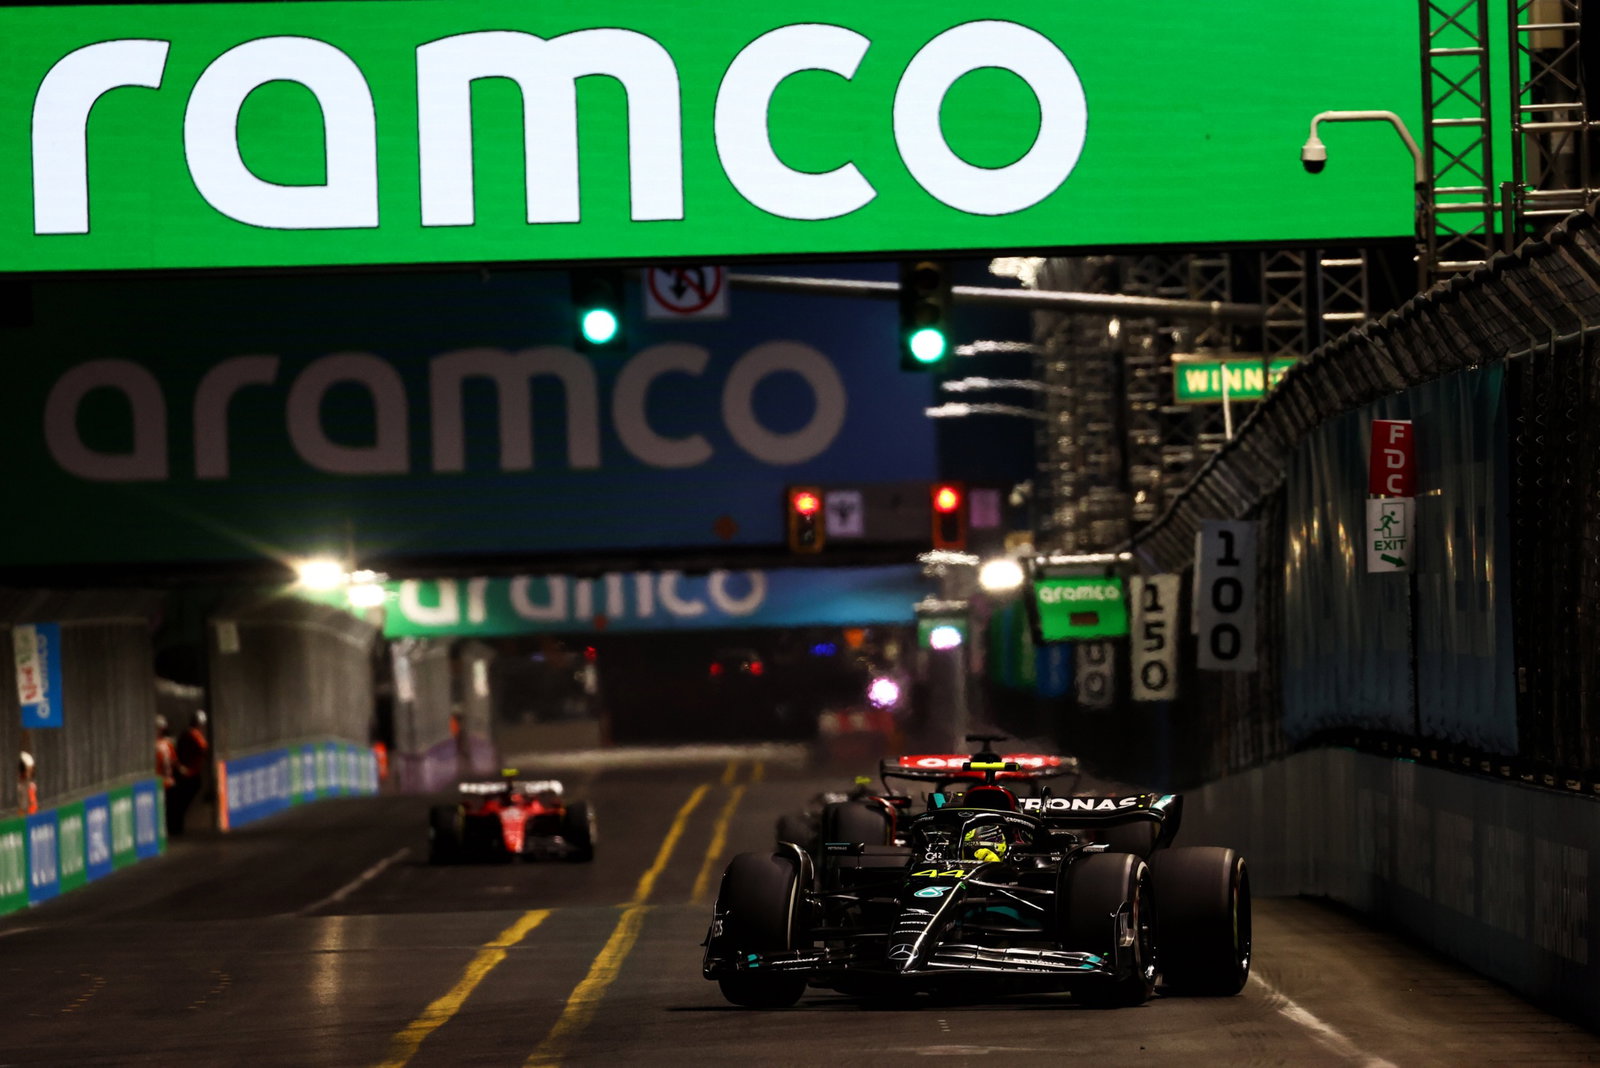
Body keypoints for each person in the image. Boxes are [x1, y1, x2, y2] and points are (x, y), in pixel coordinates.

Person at [170, 710, 209, 835]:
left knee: (181, 801)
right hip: (190, 774)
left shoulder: (184, 734)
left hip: (185, 772)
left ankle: (177, 825)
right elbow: (204, 749)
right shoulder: (194, 734)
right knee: (183, 801)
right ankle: (177, 826)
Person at [155, 715, 180, 834]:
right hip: (168, 782)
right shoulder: (168, 743)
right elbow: (175, 762)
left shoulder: (156, 745)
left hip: (161, 782)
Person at [16, 751, 37, 817]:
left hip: (33, 816)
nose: (31, 771)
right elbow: (22, 807)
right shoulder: (21, 786)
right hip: (26, 818)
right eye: (29, 769)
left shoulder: (32, 785)